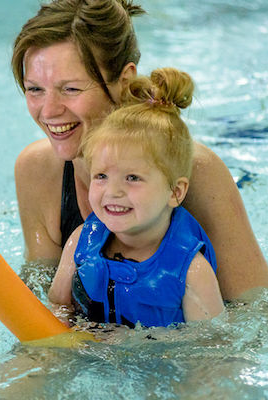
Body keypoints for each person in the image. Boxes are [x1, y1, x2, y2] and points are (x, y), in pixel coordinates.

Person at [11, 0, 268, 300]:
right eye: (34, 89)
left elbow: (258, 314)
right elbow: (42, 293)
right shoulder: (37, 170)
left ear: (124, 81)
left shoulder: (194, 169)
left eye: (71, 89)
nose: (48, 111)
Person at [48, 68, 224, 327]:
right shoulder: (81, 242)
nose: (112, 192)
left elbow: (209, 352)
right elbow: (58, 306)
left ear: (175, 192)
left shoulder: (191, 273)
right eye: (101, 176)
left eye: (132, 178)